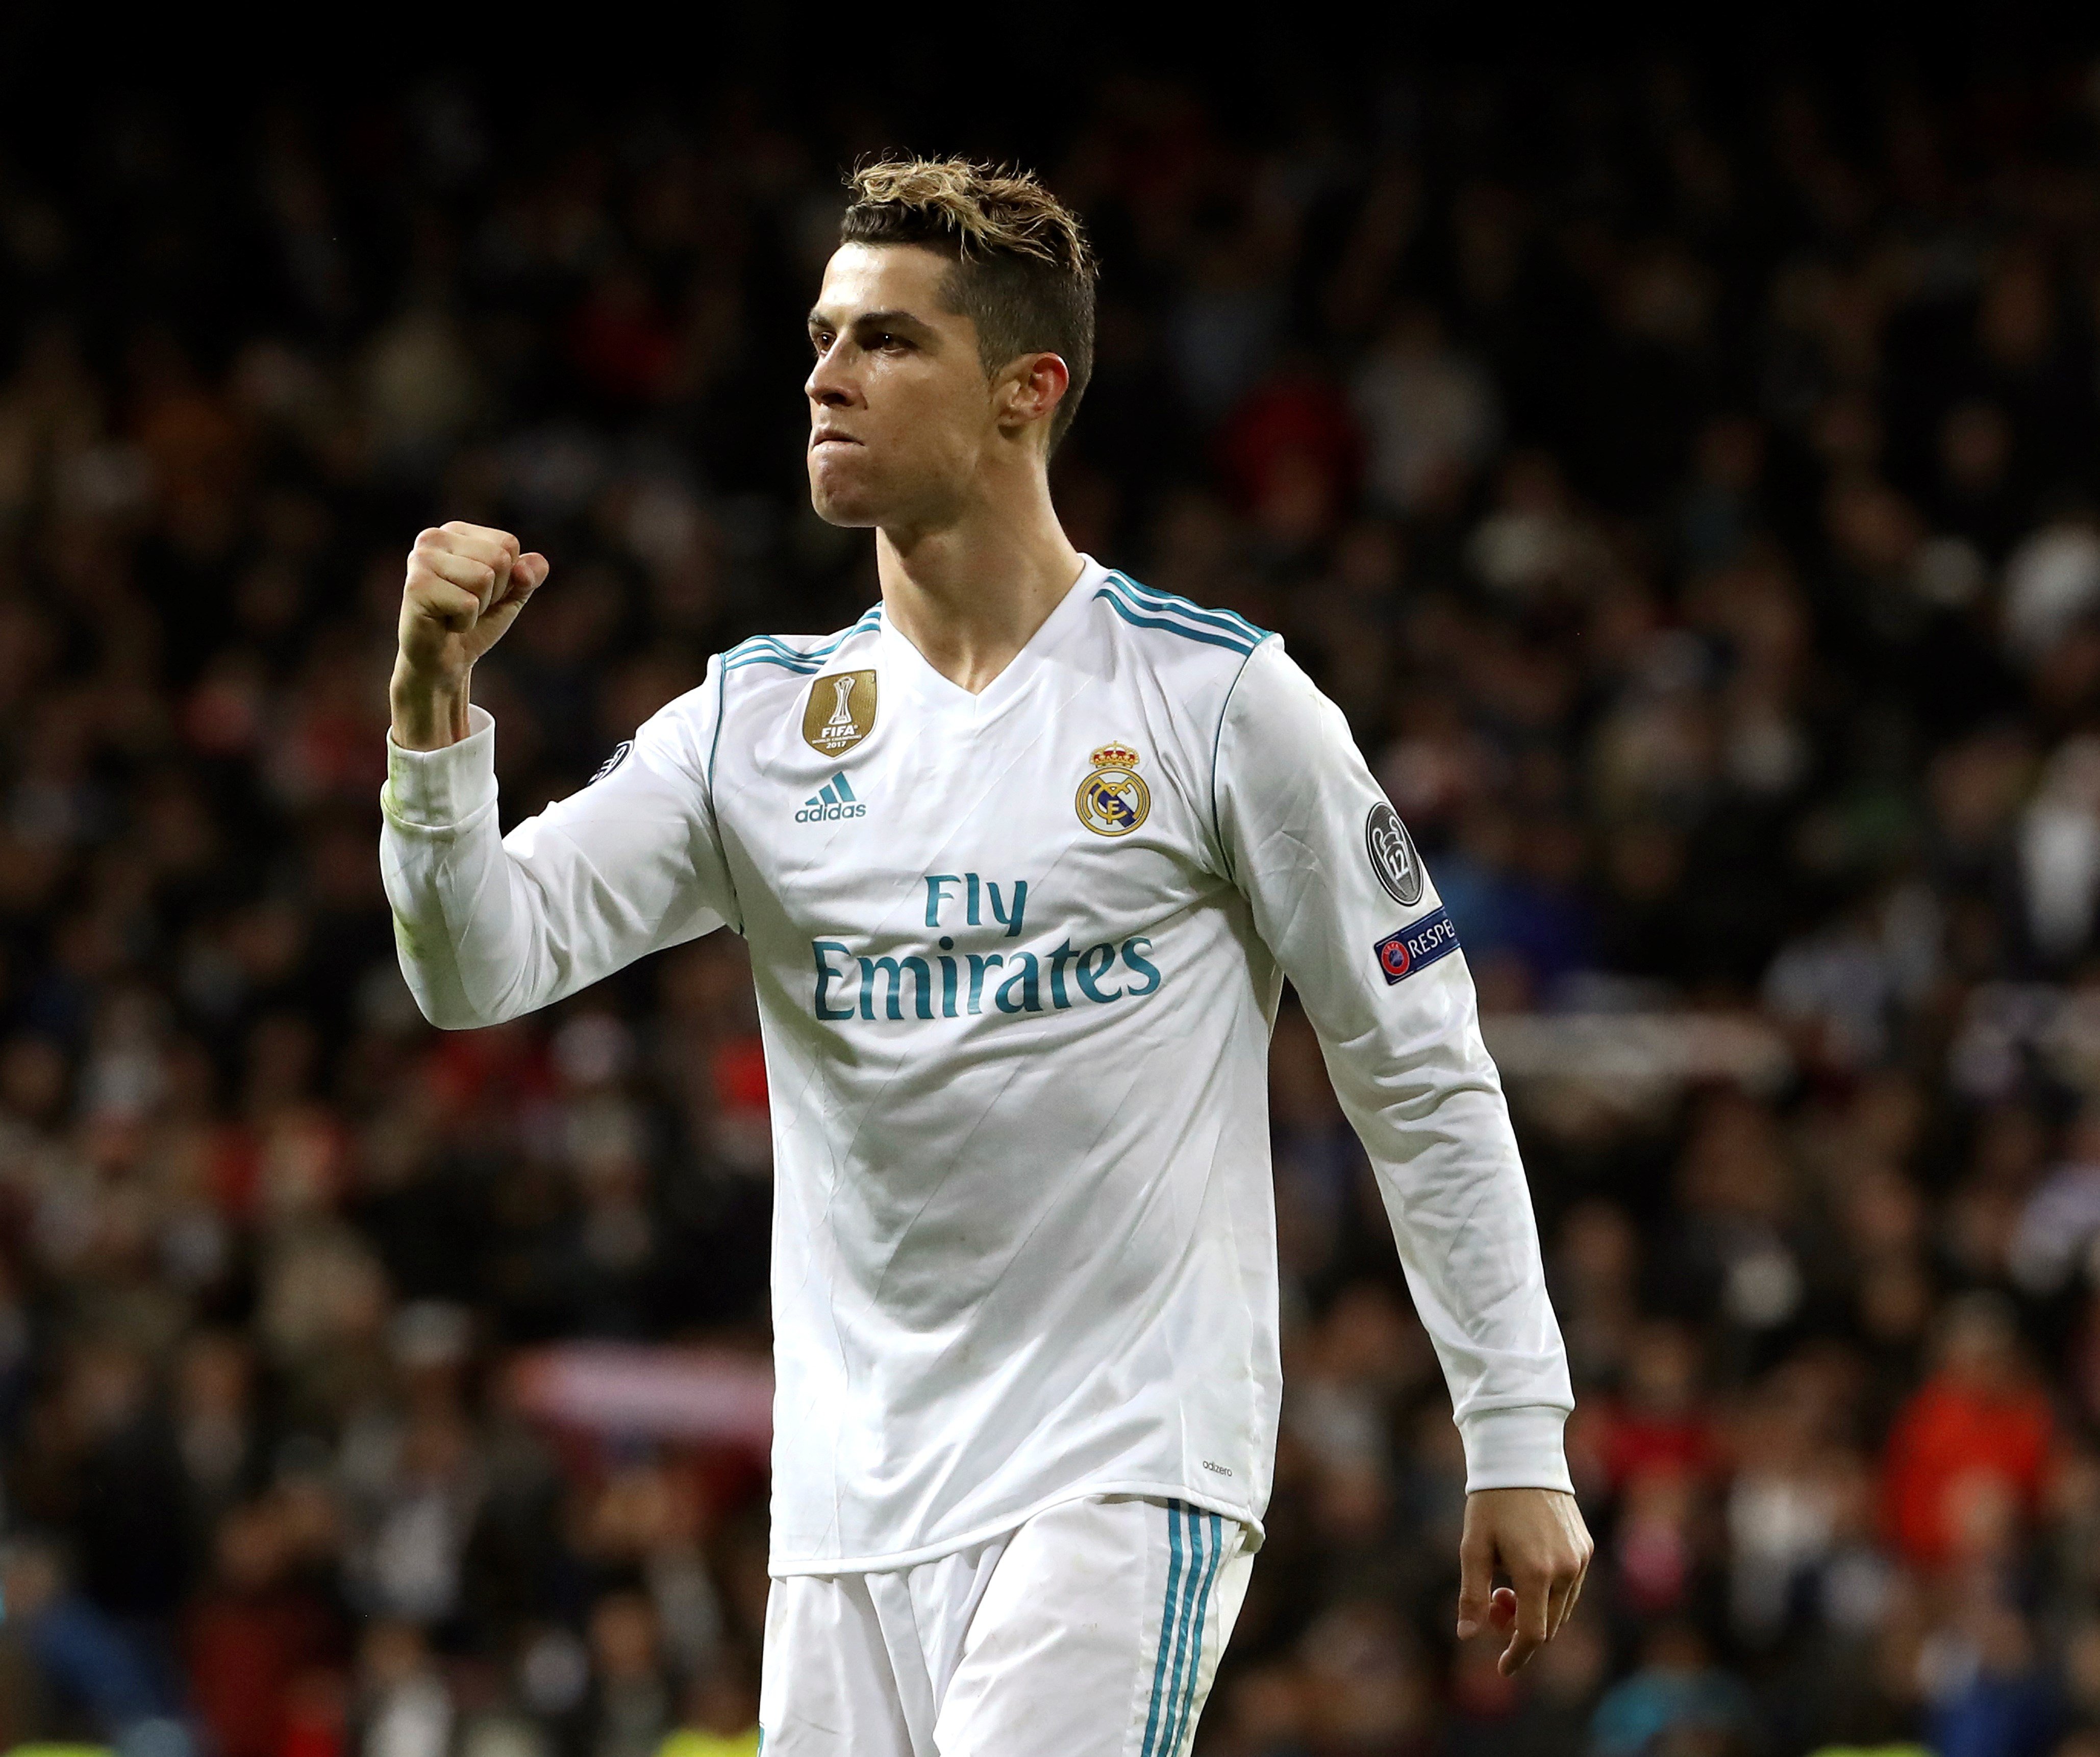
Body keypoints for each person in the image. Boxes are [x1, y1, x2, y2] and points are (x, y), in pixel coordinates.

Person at [380, 158, 1590, 1756]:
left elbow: (1418, 1068)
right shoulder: (755, 724)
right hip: (843, 1507)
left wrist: (1515, 1430)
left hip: (1119, 1463)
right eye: (821, 335)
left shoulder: (1220, 704)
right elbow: (476, 967)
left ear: (1027, 391)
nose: (821, 374)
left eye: (884, 341)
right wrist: (427, 720)